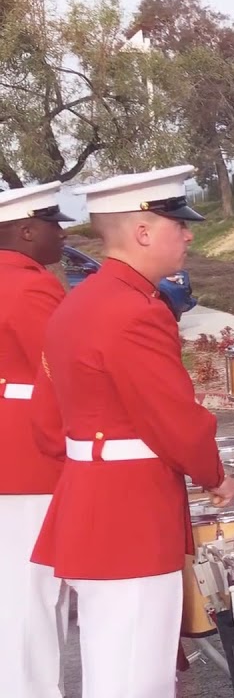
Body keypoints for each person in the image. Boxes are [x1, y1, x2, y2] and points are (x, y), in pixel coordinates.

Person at [32, 165, 234, 698]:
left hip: (93, 500)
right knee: (135, 674)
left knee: (114, 661)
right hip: (131, 513)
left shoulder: (78, 301)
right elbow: (174, 417)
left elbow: (48, 421)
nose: (189, 233)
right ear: (144, 230)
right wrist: (215, 475)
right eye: (179, 223)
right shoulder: (135, 310)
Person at [0, 182, 74, 697]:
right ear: (27, 231)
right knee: (33, 594)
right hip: (30, 455)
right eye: (53, 223)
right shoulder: (30, 286)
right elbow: (64, 374)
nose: (62, 231)